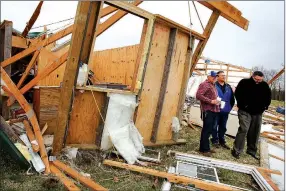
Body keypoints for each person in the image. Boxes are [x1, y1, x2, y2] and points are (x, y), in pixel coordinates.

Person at [231, 71, 271, 159]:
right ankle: (236, 150)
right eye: (256, 79)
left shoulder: (264, 85)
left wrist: (265, 106)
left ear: (262, 78)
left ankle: (251, 150)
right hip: (245, 111)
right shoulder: (244, 82)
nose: (257, 81)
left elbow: (268, 97)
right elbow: (238, 94)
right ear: (252, 76)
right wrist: (243, 105)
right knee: (244, 129)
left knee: (255, 131)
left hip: (257, 112)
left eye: (260, 80)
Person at [196, 71, 220, 157]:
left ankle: (206, 147)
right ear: (208, 76)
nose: (215, 78)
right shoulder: (205, 84)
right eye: (213, 77)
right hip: (207, 110)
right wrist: (211, 101)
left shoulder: (213, 85)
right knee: (206, 130)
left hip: (213, 110)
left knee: (209, 129)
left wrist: (217, 101)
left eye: (216, 77)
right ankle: (204, 149)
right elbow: (198, 95)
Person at [211, 71, 235, 149]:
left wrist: (229, 108)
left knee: (223, 126)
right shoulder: (213, 85)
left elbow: (232, 99)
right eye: (222, 75)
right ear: (217, 77)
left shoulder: (228, 86)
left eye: (224, 76)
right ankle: (215, 140)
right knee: (214, 126)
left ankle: (222, 141)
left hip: (225, 111)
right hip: (215, 109)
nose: (224, 77)